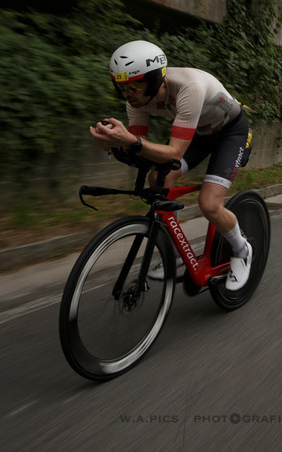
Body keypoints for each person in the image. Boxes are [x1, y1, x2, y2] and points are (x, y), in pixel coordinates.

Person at [89, 40, 253, 290]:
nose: (127, 94)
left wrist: (131, 141)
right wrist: (115, 146)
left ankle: (242, 250)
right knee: (158, 179)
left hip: (230, 132)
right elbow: (139, 150)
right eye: (121, 87)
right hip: (199, 133)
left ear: (155, 80)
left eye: (134, 86)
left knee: (209, 204)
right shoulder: (136, 101)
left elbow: (174, 152)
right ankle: (175, 254)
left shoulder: (189, 88)